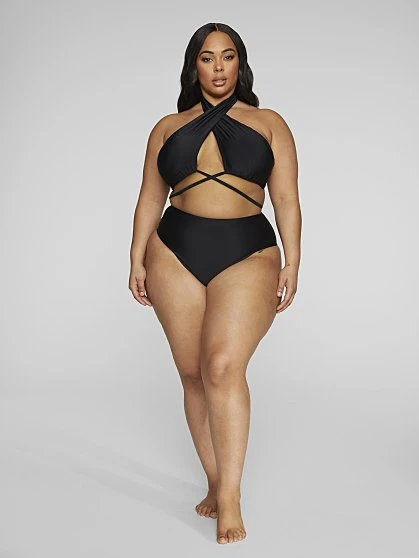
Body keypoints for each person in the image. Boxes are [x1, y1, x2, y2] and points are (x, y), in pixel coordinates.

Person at [129, 22, 301, 545]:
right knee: (192, 374)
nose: (219, 67)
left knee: (222, 365)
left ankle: (230, 496)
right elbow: (150, 196)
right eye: (208, 58)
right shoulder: (166, 127)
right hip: (173, 249)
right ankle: (213, 480)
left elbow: (286, 198)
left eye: (228, 56)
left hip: (247, 251)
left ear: (240, 63)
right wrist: (136, 257)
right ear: (194, 66)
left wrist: (293, 261)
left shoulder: (269, 123)